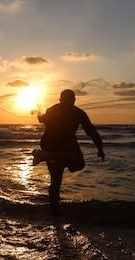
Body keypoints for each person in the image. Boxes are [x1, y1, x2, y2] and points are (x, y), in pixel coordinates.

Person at [37, 89, 104, 217]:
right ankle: (54, 214)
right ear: (62, 100)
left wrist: (100, 148)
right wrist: (100, 148)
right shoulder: (76, 112)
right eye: (66, 101)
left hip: (59, 145)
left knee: (75, 166)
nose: (68, 103)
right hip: (54, 144)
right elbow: (92, 132)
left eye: (70, 101)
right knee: (56, 179)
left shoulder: (74, 112)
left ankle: (54, 214)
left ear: (73, 101)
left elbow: (91, 131)